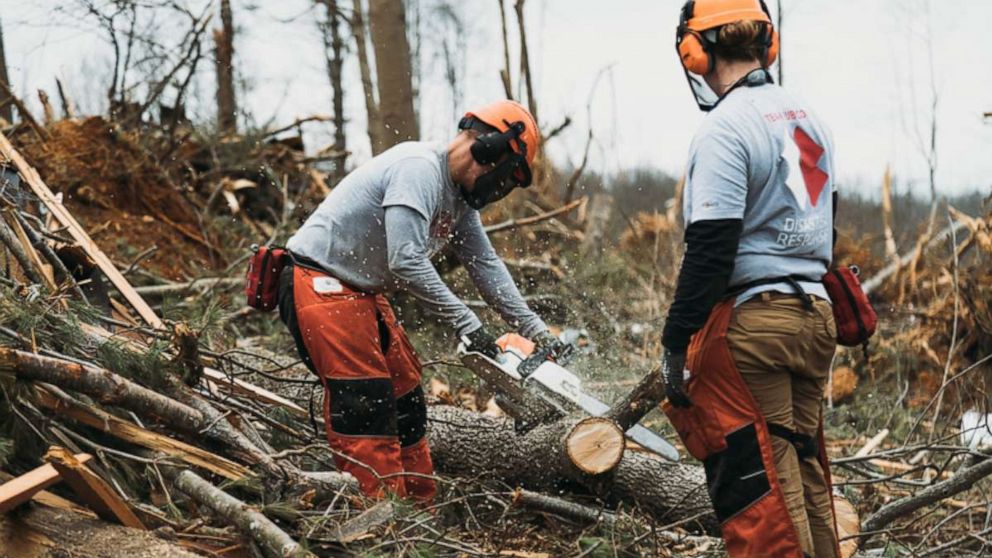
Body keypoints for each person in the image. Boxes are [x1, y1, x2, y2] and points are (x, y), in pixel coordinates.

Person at [277, 100, 571, 502]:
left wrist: (536, 331)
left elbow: (485, 265)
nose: (498, 188)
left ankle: (418, 513)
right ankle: (380, 525)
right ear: (487, 151)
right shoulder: (419, 168)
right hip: (318, 279)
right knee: (369, 406)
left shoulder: (458, 199)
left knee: (406, 400)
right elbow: (405, 258)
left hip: (360, 292)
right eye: (504, 176)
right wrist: (468, 324)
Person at [660, 1, 840, 557]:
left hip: (754, 327)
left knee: (764, 495)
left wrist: (674, 343)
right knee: (806, 479)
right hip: (814, 315)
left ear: (695, 50)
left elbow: (711, 249)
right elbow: (830, 221)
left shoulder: (726, 127)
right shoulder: (807, 116)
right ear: (767, 42)